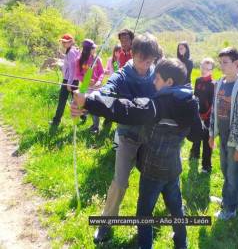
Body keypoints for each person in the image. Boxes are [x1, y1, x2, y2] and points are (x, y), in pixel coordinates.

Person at [71, 58, 202, 249]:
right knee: (176, 207)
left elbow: (126, 109)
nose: (153, 82)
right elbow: (196, 135)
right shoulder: (190, 101)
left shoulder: (159, 104)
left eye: (157, 79)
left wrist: (89, 102)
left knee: (144, 213)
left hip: (152, 171)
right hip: (173, 169)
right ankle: (182, 243)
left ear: (169, 82)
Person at [83, 33, 160, 243]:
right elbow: (105, 91)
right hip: (126, 135)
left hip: (151, 137)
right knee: (120, 181)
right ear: (132, 54)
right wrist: (87, 99)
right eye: (142, 59)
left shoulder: (157, 75)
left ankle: (157, 216)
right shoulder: (122, 75)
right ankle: (106, 223)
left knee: (155, 179)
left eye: (151, 60)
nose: (146, 65)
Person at [209, 47, 238, 220]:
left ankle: (230, 209)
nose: (222, 66)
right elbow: (215, 109)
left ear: (237, 64)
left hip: (236, 141)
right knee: (225, 170)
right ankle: (226, 199)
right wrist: (212, 133)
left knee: (234, 175)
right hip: (224, 137)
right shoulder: (220, 83)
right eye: (220, 62)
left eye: (225, 63)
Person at [190, 57, 215, 174]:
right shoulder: (198, 80)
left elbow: (212, 104)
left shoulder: (213, 84)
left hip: (208, 118)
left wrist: (204, 116)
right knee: (196, 136)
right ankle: (194, 154)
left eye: (207, 68)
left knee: (206, 142)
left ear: (211, 70)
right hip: (197, 115)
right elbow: (195, 97)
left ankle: (206, 166)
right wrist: (196, 113)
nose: (204, 70)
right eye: (202, 67)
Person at [50, 33, 80, 127]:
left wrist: (69, 83)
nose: (63, 43)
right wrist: (62, 56)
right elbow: (70, 63)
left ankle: (56, 121)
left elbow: (72, 68)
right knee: (76, 100)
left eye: (65, 42)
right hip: (73, 80)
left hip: (69, 81)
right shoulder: (72, 50)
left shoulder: (70, 52)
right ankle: (83, 116)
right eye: (62, 41)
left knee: (62, 100)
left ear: (71, 42)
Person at [75, 39, 104, 133]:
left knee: (94, 105)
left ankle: (96, 127)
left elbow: (101, 72)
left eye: (95, 47)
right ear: (87, 49)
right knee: (81, 104)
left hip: (95, 87)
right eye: (92, 48)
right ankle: (85, 114)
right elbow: (78, 74)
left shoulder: (97, 59)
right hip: (84, 86)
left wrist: (99, 82)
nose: (94, 49)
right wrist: (86, 81)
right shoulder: (79, 60)